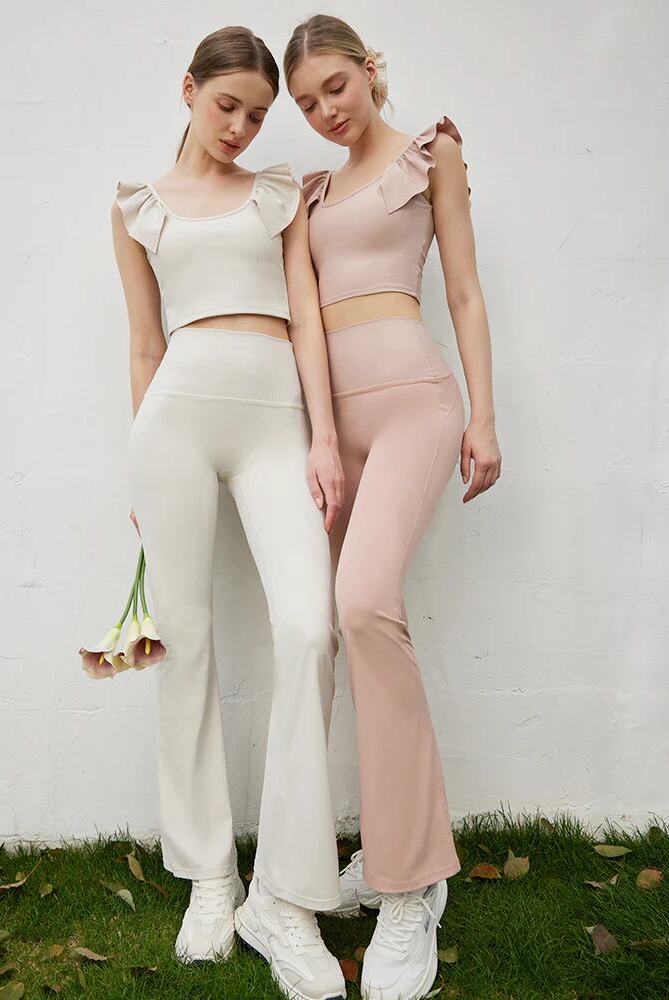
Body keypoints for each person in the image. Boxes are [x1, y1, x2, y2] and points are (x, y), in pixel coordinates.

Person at [112, 25, 349, 1000]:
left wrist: (323, 438)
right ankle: (211, 875)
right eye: (227, 107)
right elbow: (143, 344)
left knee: (309, 627)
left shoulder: (276, 196)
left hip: (273, 422)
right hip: (173, 424)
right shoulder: (138, 208)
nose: (243, 128)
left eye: (257, 114)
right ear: (188, 89)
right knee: (185, 641)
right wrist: (139, 462)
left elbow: (309, 319)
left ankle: (284, 892)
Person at [285, 15, 502, 1000]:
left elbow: (464, 293)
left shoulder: (431, 153)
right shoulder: (312, 194)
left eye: (335, 86)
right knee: (337, 625)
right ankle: (387, 849)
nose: (326, 111)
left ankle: (409, 885)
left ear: (370, 70)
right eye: (306, 103)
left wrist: (484, 416)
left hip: (416, 403)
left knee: (366, 603)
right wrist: (316, 436)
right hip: (335, 430)